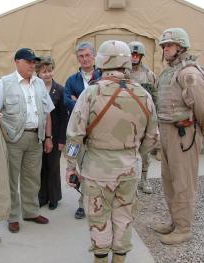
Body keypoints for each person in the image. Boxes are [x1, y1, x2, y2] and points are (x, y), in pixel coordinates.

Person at [65, 40, 159, 263]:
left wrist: (70, 166)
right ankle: (119, 259)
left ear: (100, 63)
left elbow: (74, 136)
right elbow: (153, 137)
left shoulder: (90, 93)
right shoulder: (143, 95)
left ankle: (100, 258)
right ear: (127, 62)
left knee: (99, 217)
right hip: (129, 168)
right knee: (124, 216)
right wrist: (133, 153)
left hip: (97, 169)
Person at [152, 28, 204, 245]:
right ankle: (175, 222)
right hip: (168, 130)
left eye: (169, 45)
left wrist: (203, 130)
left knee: (183, 182)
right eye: (164, 46)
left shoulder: (189, 73)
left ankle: (184, 228)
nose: (165, 49)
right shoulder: (170, 72)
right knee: (169, 181)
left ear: (181, 46)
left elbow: (203, 107)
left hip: (183, 133)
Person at [0, 48, 55, 233]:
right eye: (28, 62)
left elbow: (47, 112)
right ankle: (12, 215)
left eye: (33, 62)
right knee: (11, 178)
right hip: (13, 139)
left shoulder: (39, 84)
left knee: (32, 177)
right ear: (17, 62)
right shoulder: (4, 83)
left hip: (36, 138)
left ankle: (31, 211)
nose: (32, 65)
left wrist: (48, 137)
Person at [63, 41, 101, 219]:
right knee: (79, 167)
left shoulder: (102, 77)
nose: (84, 59)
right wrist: (83, 104)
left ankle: (99, 202)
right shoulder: (72, 80)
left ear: (94, 56)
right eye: (81, 56)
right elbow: (66, 101)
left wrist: (78, 101)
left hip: (97, 133)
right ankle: (82, 204)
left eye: (87, 55)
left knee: (96, 170)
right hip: (78, 134)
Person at [35, 56, 67, 210]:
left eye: (50, 71)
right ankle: (42, 196)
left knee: (53, 166)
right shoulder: (34, 88)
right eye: (44, 71)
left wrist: (61, 140)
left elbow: (63, 117)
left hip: (54, 135)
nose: (47, 74)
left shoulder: (60, 90)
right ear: (38, 73)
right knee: (40, 166)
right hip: (38, 134)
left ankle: (54, 197)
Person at [128, 41, 158, 194]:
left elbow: (155, 97)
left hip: (144, 120)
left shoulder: (148, 75)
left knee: (145, 153)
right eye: (132, 54)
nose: (134, 57)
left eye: (137, 54)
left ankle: (144, 180)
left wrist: (154, 120)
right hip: (126, 119)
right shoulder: (123, 73)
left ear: (141, 56)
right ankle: (129, 181)